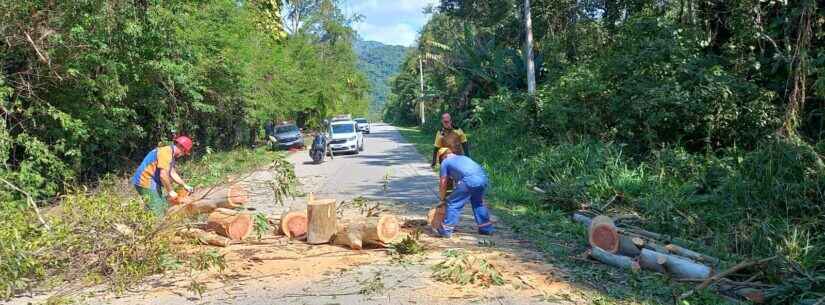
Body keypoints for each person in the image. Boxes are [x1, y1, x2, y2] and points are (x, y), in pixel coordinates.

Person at [436, 147, 494, 237]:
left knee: (453, 203)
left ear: (443, 156)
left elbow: (443, 182)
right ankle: (486, 228)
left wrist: (442, 199)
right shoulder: (463, 158)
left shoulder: (445, 162)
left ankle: (446, 230)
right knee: (478, 203)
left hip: (469, 181)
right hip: (483, 179)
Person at [132, 136, 194, 216]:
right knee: (159, 211)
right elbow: (163, 175)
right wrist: (170, 191)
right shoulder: (166, 152)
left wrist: (184, 185)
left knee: (160, 203)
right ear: (182, 148)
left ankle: (146, 215)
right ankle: (154, 225)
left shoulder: (170, 154)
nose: (183, 155)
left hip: (152, 181)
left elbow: (172, 173)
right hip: (145, 180)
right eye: (184, 152)